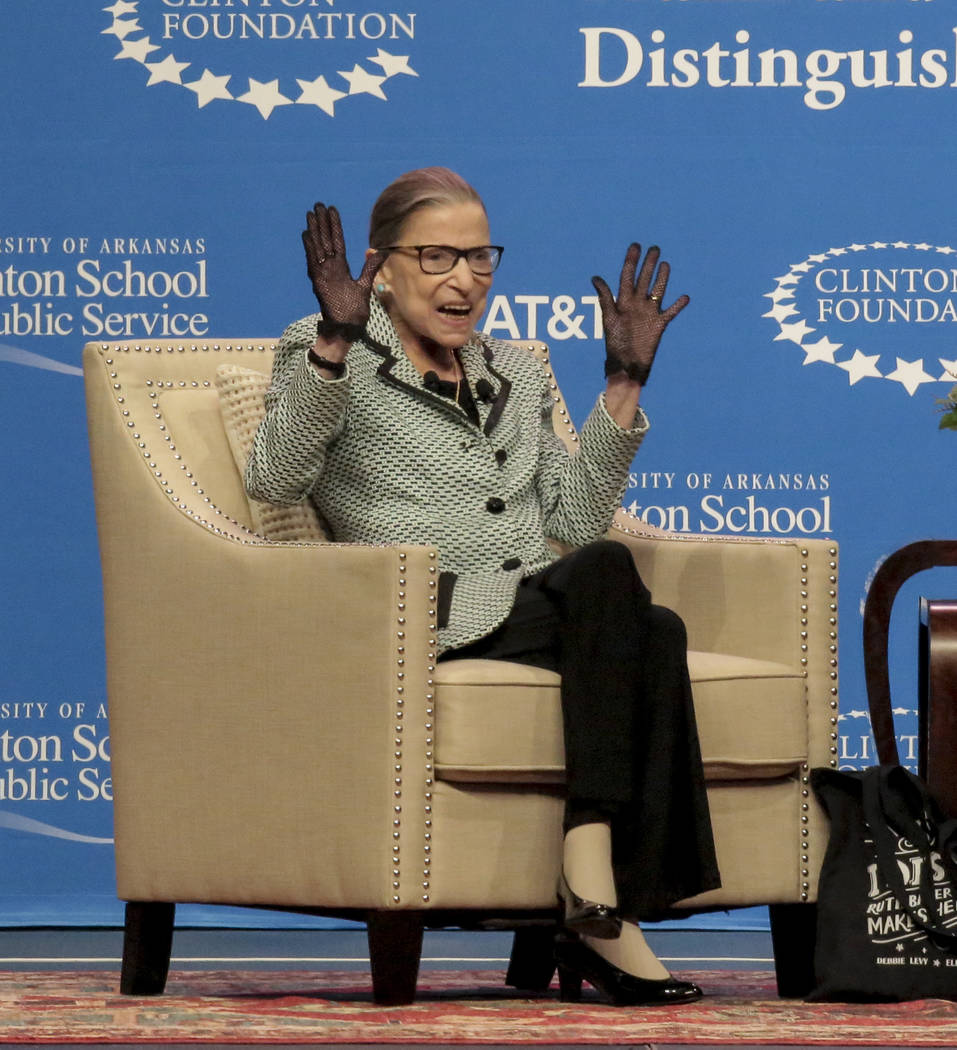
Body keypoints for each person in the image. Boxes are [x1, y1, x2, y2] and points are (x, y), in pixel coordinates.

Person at [245, 166, 720, 1006]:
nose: (464, 280)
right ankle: (596, 894)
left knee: (653, 626)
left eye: (480, 258)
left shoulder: (517, 370)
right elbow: (277, 479)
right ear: (380, 267)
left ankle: (593, 899)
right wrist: (331, 344)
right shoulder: (329, 348)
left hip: (528, 603)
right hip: (424, 612)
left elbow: (572, 520)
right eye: (436, 256)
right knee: (632, 603)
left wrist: (622, 384)